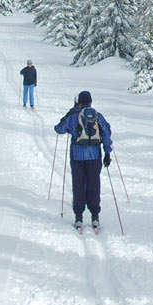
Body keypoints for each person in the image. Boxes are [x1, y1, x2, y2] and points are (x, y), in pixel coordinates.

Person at [54, 91, 113, 233]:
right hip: (95, 157)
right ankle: (95, 216)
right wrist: (107, 152)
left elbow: (59, 129)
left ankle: (79, 217)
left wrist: (69, 113)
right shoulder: (98, 116)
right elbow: (106, 132)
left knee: (78, 184)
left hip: (77, 156)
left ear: (79, 102)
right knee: (94, 184)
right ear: (90, 102)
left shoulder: (74, 115)